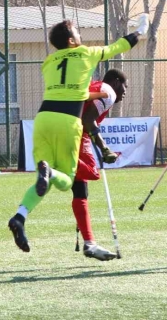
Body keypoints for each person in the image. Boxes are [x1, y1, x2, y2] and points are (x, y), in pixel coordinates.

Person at [8, 15, 149, 252]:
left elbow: (73, 91)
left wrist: (93, 95)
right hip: (67, 122)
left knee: (42, 181)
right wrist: (140, 31)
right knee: (63, 180)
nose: (81, 37)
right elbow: (119, 46)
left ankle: (20, 217)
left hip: (43, 119)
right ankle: (50, 172)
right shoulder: (85, 53)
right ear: (72, 41)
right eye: (78, 33)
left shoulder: (49, 62)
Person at [72, 69, 128, 261]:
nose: (125, 92)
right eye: (124, 86)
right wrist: (104, 149)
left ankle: (89, 243)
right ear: (116, 81)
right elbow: (87, 120)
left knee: (80, 189)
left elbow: (89, 119)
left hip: (70, 130)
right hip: (75, 133)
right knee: (91, 173)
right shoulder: (108, 92)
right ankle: (57, 165)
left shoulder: (95, 87)